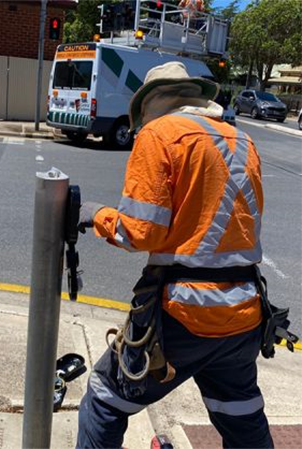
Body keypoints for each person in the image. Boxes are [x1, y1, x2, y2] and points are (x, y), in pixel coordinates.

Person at [76, 61, 275, 448]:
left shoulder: (160, 134)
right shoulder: (241, 141)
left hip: (183, 313)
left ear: (150, 104)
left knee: (104, 399)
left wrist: (95, 216)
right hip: (244, 311)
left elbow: (139, 232)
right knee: (240, 412)